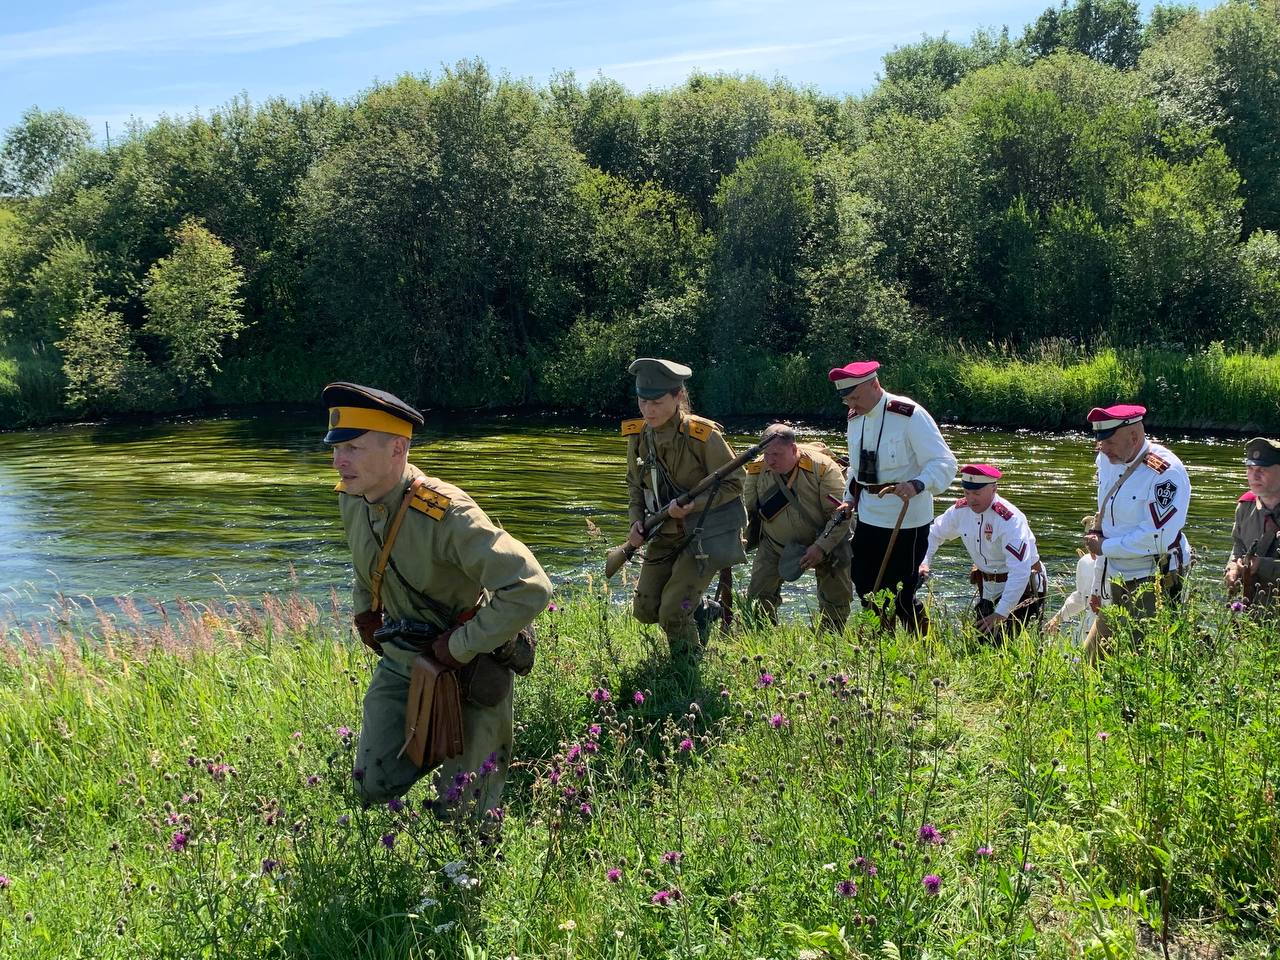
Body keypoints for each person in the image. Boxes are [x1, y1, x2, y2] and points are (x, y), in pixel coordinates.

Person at [324, 382, 552, 817]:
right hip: (402, 661)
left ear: (397, 449)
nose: (339, 461)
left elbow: (531, 586)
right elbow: (362, 560)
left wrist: (458, 646)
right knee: (371, 783)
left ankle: (460, 801)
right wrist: (364, 611)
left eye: (352, 448)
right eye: (336, 449)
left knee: (467, 817)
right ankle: (434, 750)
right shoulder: (352, 498)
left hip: (466, 669)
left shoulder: (447, 513)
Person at [623, 358, 746, 656]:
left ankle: (687, 674)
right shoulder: (639, 435)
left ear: (678, 396)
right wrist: (635, 523)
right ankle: (703, 612)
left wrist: (694, 505)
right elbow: (634, 486)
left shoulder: (702, 435)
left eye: (656, 401)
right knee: (645, 609)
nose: (648, 410)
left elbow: (735, 483)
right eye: (642, 401)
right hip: (663, 532)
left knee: (673, 613)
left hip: (704, 536)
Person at [829, 360, 957, 633]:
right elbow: (857, 468)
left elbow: (944, 463)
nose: (852, 405)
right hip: (869, 515)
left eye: (856, 397)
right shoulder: (855, 417)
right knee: (864, 584)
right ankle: (881, 640)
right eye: (847, 400)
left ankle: (921, 641)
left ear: (874, 385)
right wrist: (849, 499)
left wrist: (918, 484)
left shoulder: (909, 415)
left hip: (907, 519)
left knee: (901, 592)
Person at [1083, 403, 1191, 660]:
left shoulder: (1166, 473)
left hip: (1155, 579)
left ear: (1134, 436)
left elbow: (1157, 538)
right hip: (1117, 575)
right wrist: (1098, 584)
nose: (1102, 448)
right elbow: (1106, 524)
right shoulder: (1108, 459)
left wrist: (1104, 548)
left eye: (1108, 442)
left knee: (1144, 663)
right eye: (1100, 441)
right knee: (1090, 660)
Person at [743, 423, 854, 631]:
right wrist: (742, 540)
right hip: (774, 544)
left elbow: (841, 515)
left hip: (825, 540)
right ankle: (762, 638)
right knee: (758, 595)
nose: (770, 461)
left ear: (794, 449)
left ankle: (831, 638)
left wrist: (821, 547)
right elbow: (750, 510)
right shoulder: (757, 469)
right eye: (766, 454)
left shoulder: (823, 469)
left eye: (776, 454)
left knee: (836, 595)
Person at [919, 463, 1046, 638]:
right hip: (988, 586)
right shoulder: (960, 511)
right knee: (981, 642)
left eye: (977, 493)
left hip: (1024, 588)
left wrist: (1001, 612)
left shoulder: (1009, 520)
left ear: (993, 489)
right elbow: (933, 534)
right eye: (967, 493)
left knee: (1005, 643)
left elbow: (1020, 571)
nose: (971, 499)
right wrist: (924, 562)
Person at [1225, 437, 1280, 610]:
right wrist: (1232, 568)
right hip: (1252, 615)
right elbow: (1238, 546)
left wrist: (1261, 566)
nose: (1254, 475)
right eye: (1250, 468)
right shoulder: (1245, 507)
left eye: (1262, 469)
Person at [1044, 516, 1099, 643]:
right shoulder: (1084, 562)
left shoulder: (1118, 563)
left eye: (1095, 536)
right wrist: (1058, 617)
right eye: (1087, 537)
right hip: (1088, 626)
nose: (1089, 542)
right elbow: (1080, 597)